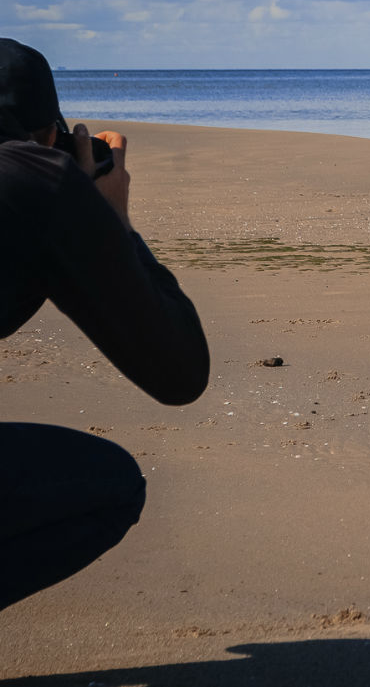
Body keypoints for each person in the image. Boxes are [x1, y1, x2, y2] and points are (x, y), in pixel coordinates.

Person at [0, 38, 209, 609]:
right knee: (110, 486)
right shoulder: (34, 179)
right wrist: (111, 219)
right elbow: (179, 372)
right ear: (51, 134)